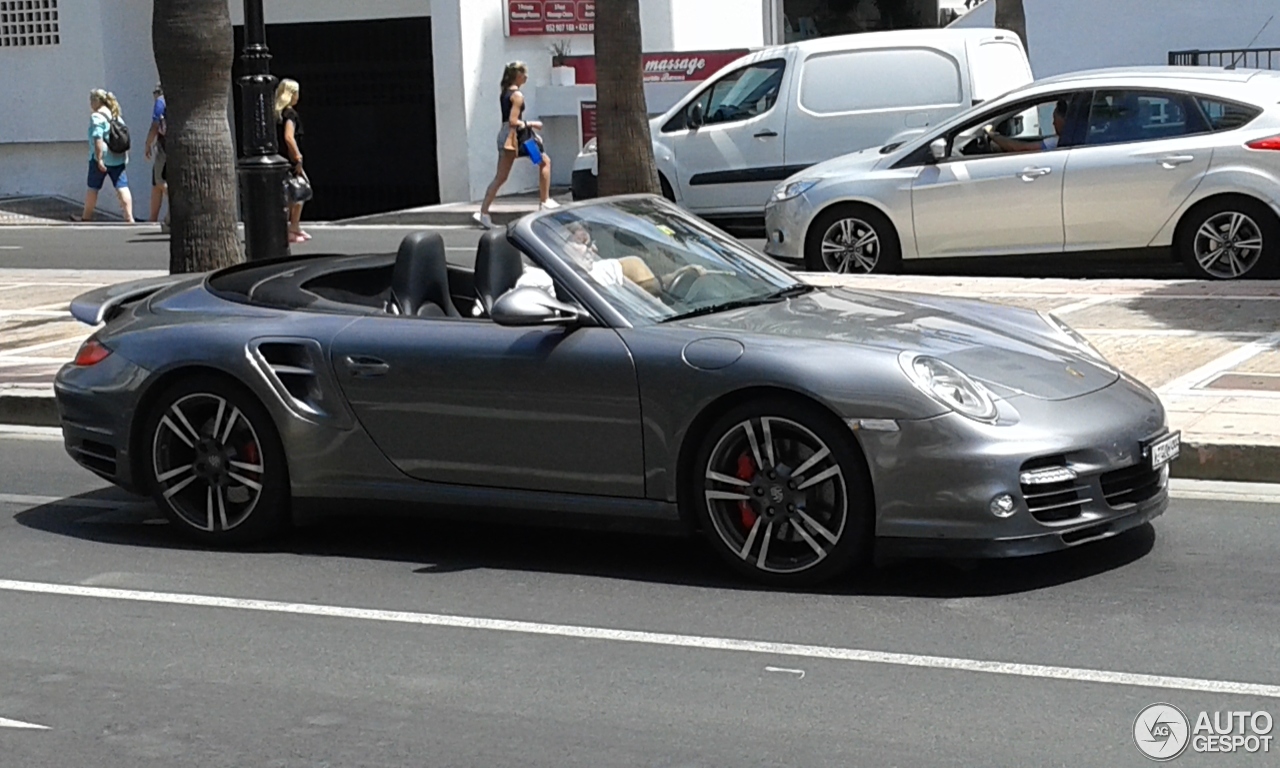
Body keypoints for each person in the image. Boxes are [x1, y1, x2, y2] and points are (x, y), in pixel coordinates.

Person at [473, 61, 558, 230]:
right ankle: (544, 200)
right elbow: (513, 121)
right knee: (541, 162)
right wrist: (533, 124)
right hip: (516, 139)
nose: (526, 76)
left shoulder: (505, 92)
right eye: (524, 73)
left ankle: (484, 212)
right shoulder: (517, 95)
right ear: (518, 75)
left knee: (537, 163)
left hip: (514, 137)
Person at [78, 89, 134, 222]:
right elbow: (123, 138)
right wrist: (125, 156)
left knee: (93, 188)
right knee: (122, 187)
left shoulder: (96, 117)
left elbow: (98, 138)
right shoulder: (116, 116)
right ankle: (129, 217)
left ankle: (86, 218)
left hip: (101, 158)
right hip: (118, 158)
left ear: (96, 101)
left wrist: (99, 159)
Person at [275, 78, 309, 243]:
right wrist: (298, 157)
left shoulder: (276, 114)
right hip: (290, 160)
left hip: (280, 158)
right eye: (296, 92)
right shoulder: (290, 114)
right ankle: (292, 226)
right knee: (299, 191)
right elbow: (289, 137)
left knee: (289, 193)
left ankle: (293, 227)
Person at [986, 99, 1069, 154]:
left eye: (1055, 119)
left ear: (1064, 120)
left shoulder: (1057, 142)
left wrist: (992, 135)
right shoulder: (1065, 140)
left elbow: (1019, 148)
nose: (1053, 123)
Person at [143, 83, 169, 232]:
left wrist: (148, 144)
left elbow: (155, 124)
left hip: (164, 148)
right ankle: (152, 218)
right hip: (168, 146)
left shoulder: (161, 101)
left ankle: (174, 201)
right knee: (156, 182)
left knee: (159, 180)